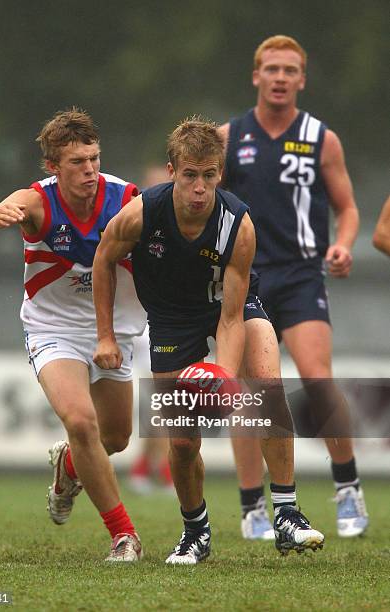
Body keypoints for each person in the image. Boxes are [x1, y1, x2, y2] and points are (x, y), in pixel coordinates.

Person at [92, 117, 324, 564]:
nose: (200, 188)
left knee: (266, 386)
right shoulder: (142, 213)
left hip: (228, 309)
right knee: (180, 441)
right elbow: (104, 258)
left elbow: (233, 317)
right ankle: (195, 531)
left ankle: (287, 514)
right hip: (171, 319)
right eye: (190, 175)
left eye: (209, 175)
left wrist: (221, 374)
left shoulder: (238, 224)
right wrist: (105, 334)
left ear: (221, 173)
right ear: (173, 170)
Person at [0, 108, 147, 561]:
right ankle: (124, 536)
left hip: (115, 331)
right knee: (81, 422)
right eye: (76, 162)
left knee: (115, 439)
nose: (89, 170)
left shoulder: (125, 197)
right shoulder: (37, 202)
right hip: (54, 330)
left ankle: (68, 466)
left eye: (94, 159)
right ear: (52, 166)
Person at [219, 35, 368, 539]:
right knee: (250, 394)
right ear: (255, 75)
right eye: (272, 69)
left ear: (302, 79)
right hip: (246, 276)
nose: (280, 77)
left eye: (290, 70)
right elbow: (201, 202)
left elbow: (347, 208)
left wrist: (344, 244)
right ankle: (251, 507)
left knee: (316, 378)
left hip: (302, 272)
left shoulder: (321, 138)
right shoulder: (227, 137)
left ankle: (347, 489)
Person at [128, 164, 174, 494]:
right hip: (140, 328)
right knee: (161, 405)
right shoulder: (134, 224)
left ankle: (149, 467)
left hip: (168, 324)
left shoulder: (179, 224)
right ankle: (155, 469)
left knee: (163, 405)